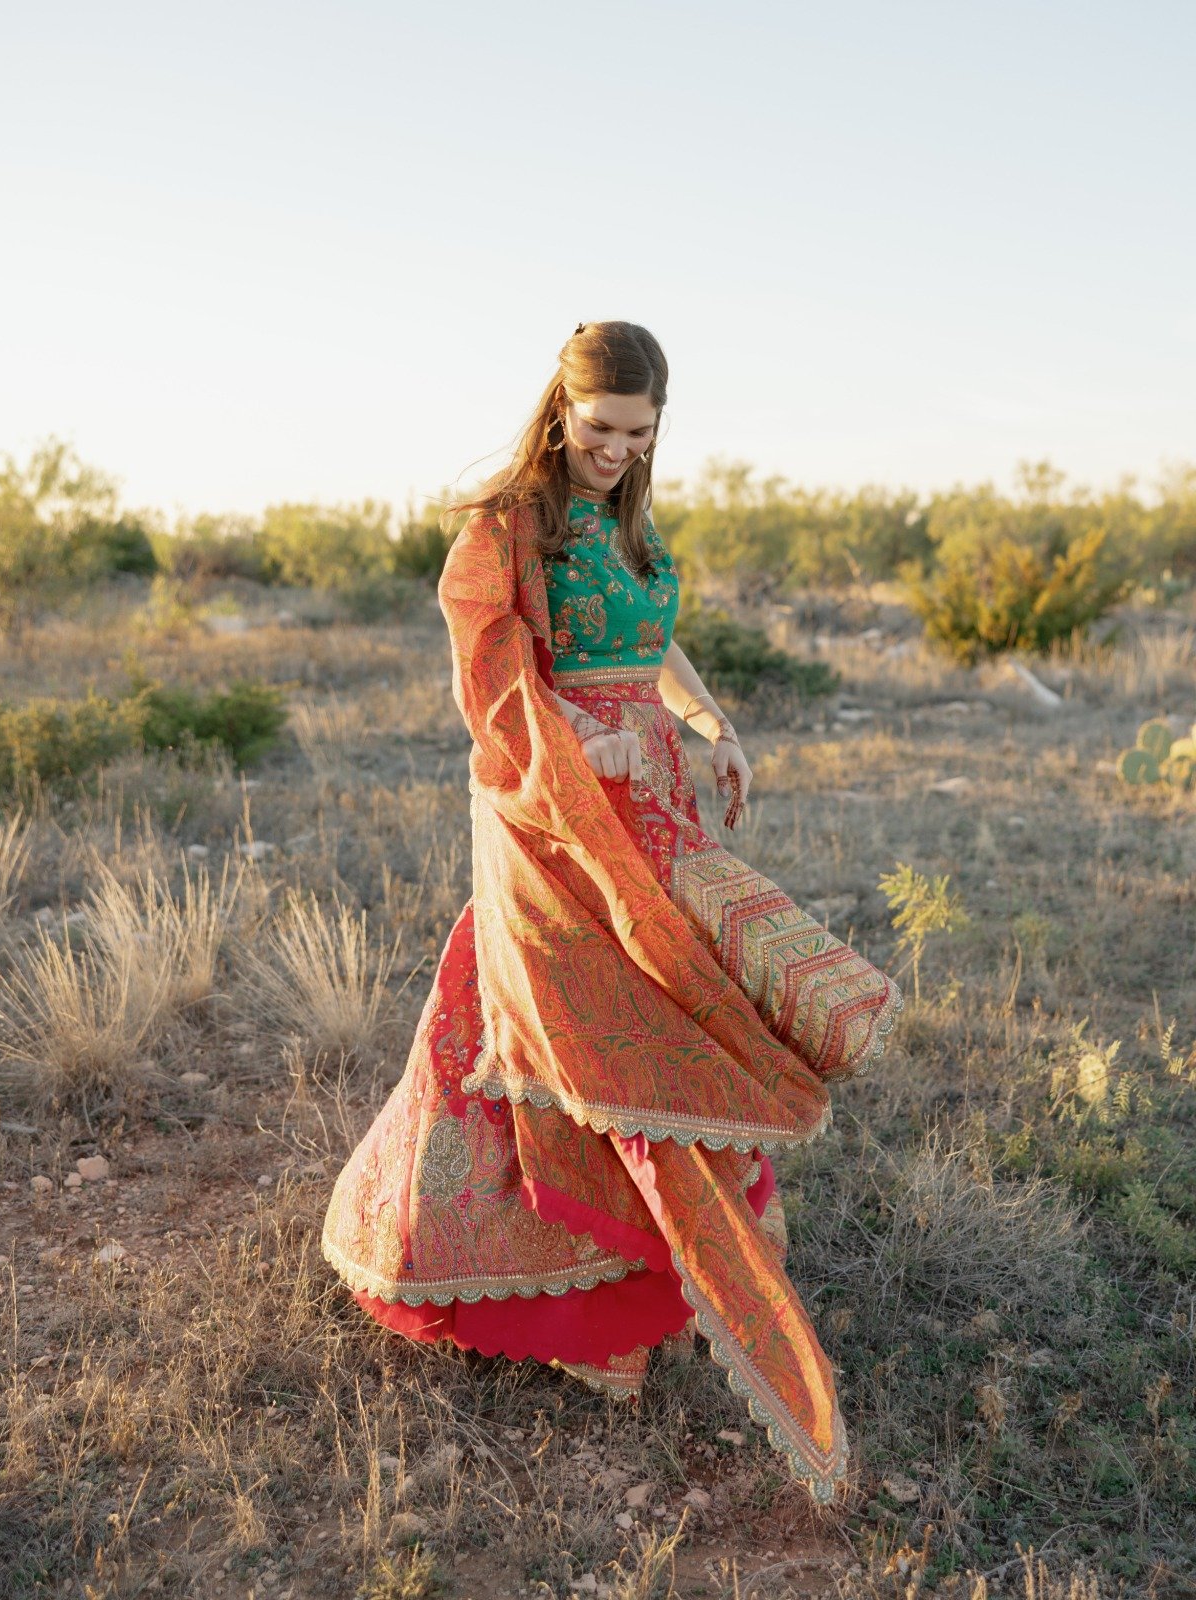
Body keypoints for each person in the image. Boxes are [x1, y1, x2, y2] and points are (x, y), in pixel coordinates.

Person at [322, 321, 902, 1503]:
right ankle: (577, 1304)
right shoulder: (507, 526)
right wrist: (582, 746)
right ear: (561, 411)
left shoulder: (631, 518)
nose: (616, 451)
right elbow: (491, 687)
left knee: (665, 1020)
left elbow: (653, 637)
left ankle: (634, 1286)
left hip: (652, 807)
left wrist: (706, 726)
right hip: (553, 809)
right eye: (599, 431)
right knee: (565, 1026)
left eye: (638, 434)